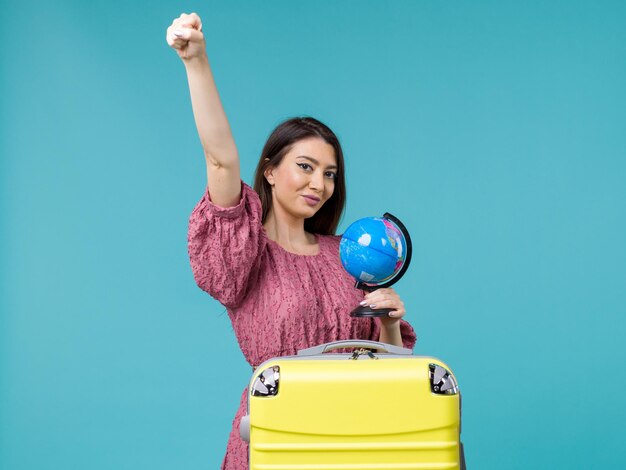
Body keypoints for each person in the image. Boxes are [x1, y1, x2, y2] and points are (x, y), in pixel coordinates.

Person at [166, 12, 417, 469]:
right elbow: (220, 161)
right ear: (269, 170)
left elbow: (395, 374)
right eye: (305, 166)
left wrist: (389, 323)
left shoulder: (349, 257)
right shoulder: (244, 252)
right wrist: (196, 61)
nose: (319, 184)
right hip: (277, 440)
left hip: (359, 442)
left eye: (329, 174)